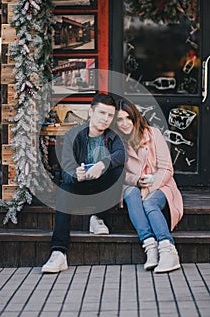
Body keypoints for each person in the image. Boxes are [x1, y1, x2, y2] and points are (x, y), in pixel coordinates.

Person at [42, 93, 126, 273]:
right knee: (64, 188)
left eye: (110, 115)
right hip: (78, 189)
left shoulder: (113, 137)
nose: (105, 119)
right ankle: (59, 252)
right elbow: (67, 169)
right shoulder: (74, 135)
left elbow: (121, 155)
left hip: (101, 190)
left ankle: (98, 218)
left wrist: (102, 164)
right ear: (91, 112)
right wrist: (76, 175)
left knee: (118, 171)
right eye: (102, 113)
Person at [115, 98, 183, 273]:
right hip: (134, 185)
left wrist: (149, 188)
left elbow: (166, 168)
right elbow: (120, 174)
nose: (124, 123)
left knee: (149, 203)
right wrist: (137, 181)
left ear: (135, 117)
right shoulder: (117, 142)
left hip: (161, 185)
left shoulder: (153, 134)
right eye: (119, 119)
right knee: (130, 193)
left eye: (127, 118)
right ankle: (150, 246)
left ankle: (168, 249)